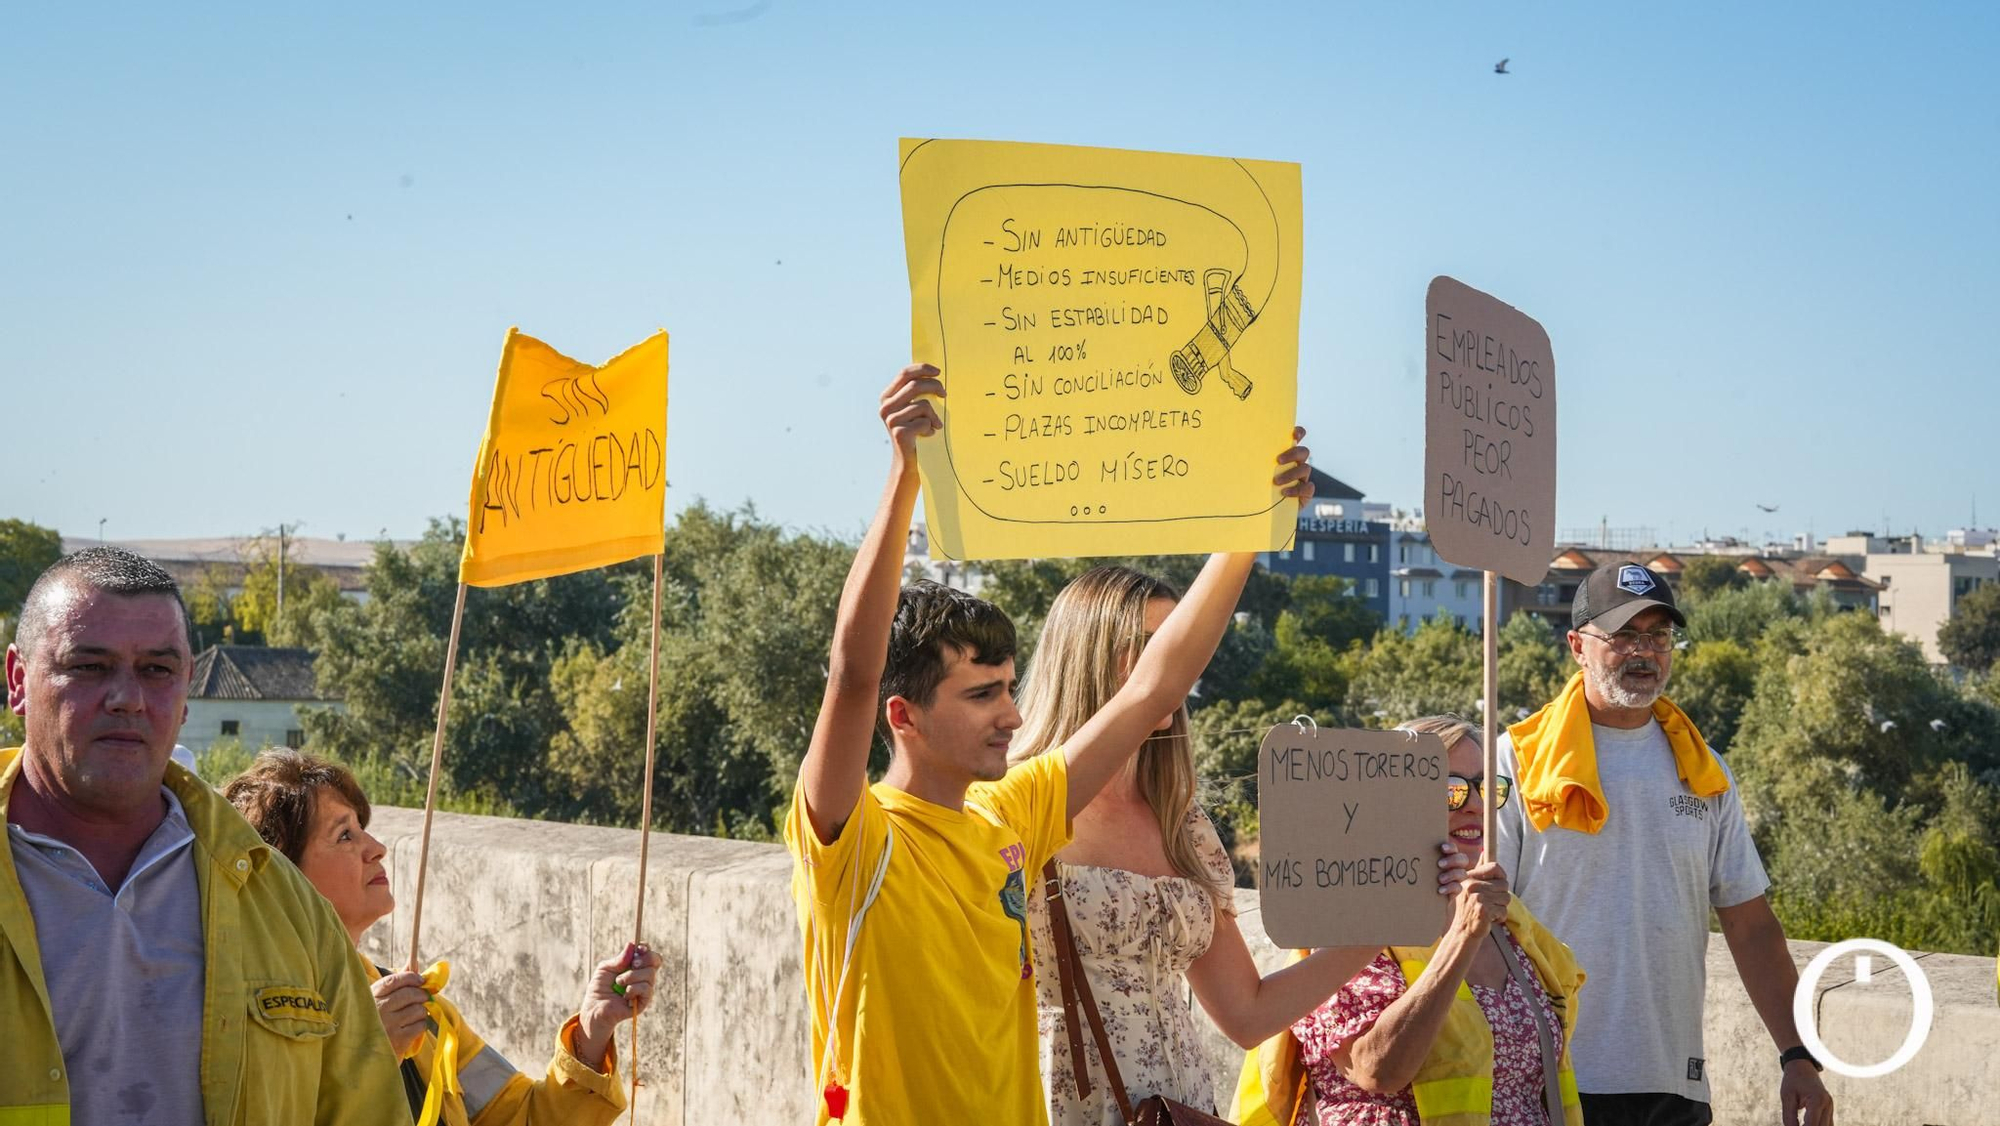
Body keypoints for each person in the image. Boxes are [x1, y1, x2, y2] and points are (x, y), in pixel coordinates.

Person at [785, 363, 1315, 1125]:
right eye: (980, 696)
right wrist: (905, 473)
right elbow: (852, 672)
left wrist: (1252, 532)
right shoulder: (852, 839)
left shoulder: (1013, 815)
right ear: (902, 715)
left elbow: (1151, 690)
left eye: (1008, 687)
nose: (1011, 713)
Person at [1011, 567, 1476, 1122]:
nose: (1177, 664)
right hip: (1057, 1100)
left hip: (1175, 1109)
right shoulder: (1016, 805)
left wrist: (1395, 910)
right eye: (1153, 646)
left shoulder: (1182, 823)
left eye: (1184, 644)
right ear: (1087, 655)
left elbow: (1249, 1015)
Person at [1, 547, 405, 1123]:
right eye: (88, 666)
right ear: (18, 680)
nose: (127, 697)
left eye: (157, 670)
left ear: (187, 689)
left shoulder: (281, 902)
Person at [1494, 563, 1834, 1126]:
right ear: (1577, 645)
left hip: (1674, 1084)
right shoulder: (1517, 760)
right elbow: (1480, 922)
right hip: (1547, 1079)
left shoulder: (1702, 769)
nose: (1644, 651)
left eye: (1658, 636)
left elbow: (1750, 926)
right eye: (1624, 635)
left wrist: (1798, 1056)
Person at [225, 747, 658, 1125]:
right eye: (344, 835)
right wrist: (367, 1054)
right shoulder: (239, 1020)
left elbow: (524, 1118)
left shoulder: (426, 1013)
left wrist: (591, 1033)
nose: (376, 847)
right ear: (283, 875)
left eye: (363, 827)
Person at [1234, 716, 1585, 1126]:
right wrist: (1462, 939)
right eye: (1450, 789)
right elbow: (1376, 1070)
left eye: (1485, 787)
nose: (1474, 804)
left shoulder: (1513, 924)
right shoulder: (1345, 921)